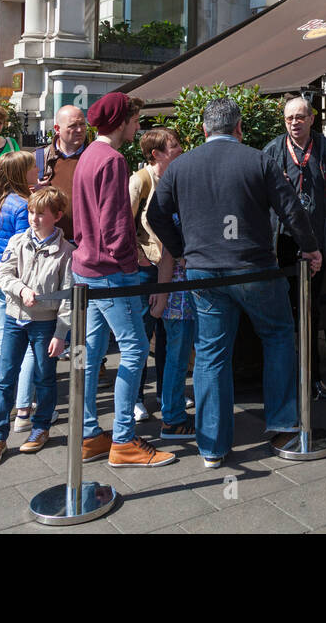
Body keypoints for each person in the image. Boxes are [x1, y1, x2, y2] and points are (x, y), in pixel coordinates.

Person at [148, 96, 322, 469]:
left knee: (211, 353)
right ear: (239, 128)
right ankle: (281, 422)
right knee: (277, 336)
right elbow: (292, 209)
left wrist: (181, 250)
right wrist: (311, 249)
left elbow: (155, 215)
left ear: (204, 130)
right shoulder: (259, 160)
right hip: (254, 267)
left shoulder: (181, 167)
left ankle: (212, 446)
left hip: (203, 270)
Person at [70, 92, 172, 468]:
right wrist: (130, 268)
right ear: (121, 121)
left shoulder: (87, 156)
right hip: (111, 272)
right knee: (132, 350)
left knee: (92, 352)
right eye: (135, 120)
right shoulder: (111, 159)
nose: (138, 126)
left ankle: (90, 434)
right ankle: (124, 440)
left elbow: (88, 220)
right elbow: (115, 224)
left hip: (87, 267)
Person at [263, 95, 326, 401]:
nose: (295, 123)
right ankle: (286, 380)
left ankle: (313, 379)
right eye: (289, 119)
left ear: (312, 118)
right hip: (283, 242)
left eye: (300, 117)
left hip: (319, 241)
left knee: (312, 311)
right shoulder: (273, 150)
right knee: (284, 312)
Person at [0, 187, 74, 465]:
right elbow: (3, 275)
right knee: (4, 379)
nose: (34, 218)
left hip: (44, 324)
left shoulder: (66, 252)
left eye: (41, 214)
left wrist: (61, 333)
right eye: (32, 212)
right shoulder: (18, 241)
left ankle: (41, 426)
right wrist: (21, 290)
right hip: (14, 318)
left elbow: (69, 295)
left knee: (45, 377)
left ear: (56, 216)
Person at [129, 127, 195, 437]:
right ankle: (138, 398)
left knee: (170, 342)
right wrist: (139, 257)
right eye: (175, 145)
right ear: (156, 153)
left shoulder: (178, 179)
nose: (181, 149)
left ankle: (169, 398)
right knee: (144, 335)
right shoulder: (141, 180)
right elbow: (127, 222)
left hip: (168, 270)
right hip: (151, 268)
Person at [0, 150, 39, 423]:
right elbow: (26, 245)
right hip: (18, 280)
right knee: (27, 344)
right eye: (32, 168)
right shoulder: (23, 206)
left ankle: (2, 392)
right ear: (20, 173)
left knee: (3, 336)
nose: (37, 171)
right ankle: (23, 403)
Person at [35, 104, 88, 241]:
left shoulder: (95, 157)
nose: (80, 130)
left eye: (82, 124)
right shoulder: (39, 158)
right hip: (48, 242)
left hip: (84, 243)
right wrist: (34, 193)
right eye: (72, 126)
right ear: (57, 129)